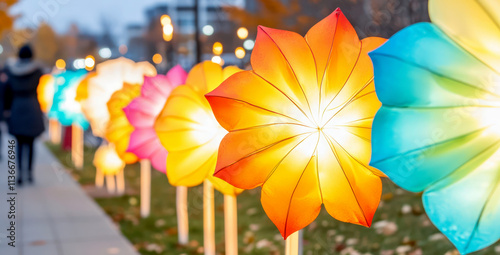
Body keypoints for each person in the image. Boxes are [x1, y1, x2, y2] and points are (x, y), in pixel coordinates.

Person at [4, 44, 45, 185]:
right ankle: (29, 172)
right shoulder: (37, 70)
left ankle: (20, 173)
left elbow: (7, 90)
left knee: (19, 143)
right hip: (32, 105)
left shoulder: (11, 70)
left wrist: (6, 109)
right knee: (31, 142)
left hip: (17, 106)